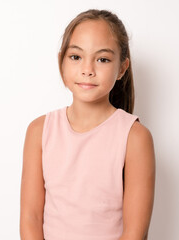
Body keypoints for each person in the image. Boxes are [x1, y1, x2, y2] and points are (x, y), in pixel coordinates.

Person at [20, 9, 155, 240]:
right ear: (61, 60)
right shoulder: (39, 131)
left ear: (122, 68)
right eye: (76, 57)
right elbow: (30, 218)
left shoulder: (134, 137)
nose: (87, 70)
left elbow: (134, 233)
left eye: (102, 59)